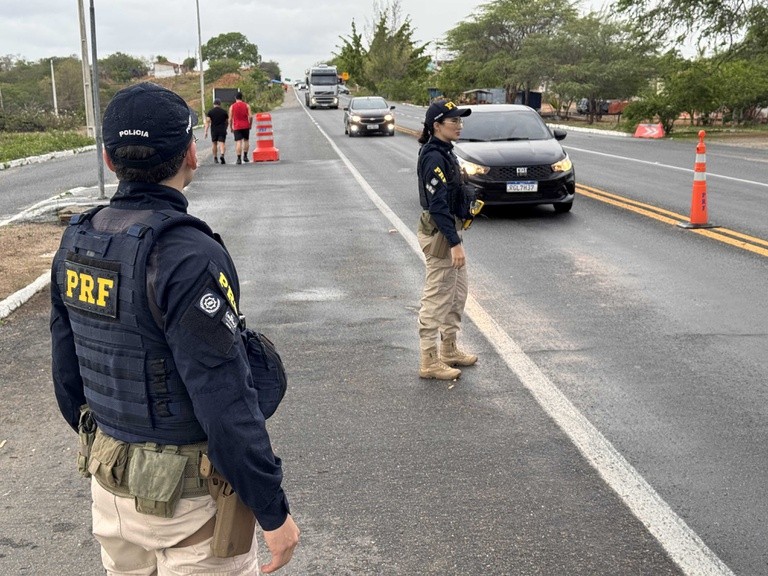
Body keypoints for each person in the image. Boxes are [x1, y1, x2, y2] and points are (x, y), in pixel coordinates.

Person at [50, 82, 299, 575]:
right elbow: (224, 399)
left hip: (111, 490)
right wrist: (273, 511)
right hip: (187, 508)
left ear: (108, 158)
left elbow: (66, 376)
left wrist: (115, 439)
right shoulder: (186, 255)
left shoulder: (78, 241)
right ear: (192, 151)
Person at [416, 100, 478, 380]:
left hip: (450, 230)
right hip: (441, 235)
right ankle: (429, 360)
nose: (459, 126)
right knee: (438, 296)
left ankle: (449, 349)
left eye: (460, 121)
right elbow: (438, 205)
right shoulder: (433, 157)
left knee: (457, 294)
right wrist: (454, 243)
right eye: (454, 122)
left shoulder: (445, 151)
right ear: (437, 126)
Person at [229, 91, 252, 164]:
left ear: (235, 97)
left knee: (238, 142)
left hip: (237, 126)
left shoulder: (232, 106)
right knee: (246, 140)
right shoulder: (247, 105)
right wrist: (250, 124)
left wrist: (231, 127)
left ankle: (239, 158)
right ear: (242, 97)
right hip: (245, 125)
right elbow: (251, 116)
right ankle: (245, 156)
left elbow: (230, 119)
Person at [204, 98, 228, 164]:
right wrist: (226, 128)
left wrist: (206, 131)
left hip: (214, 129)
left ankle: (215, 158)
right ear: (220, 104)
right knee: (222, 143)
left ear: (214, 104)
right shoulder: (224, 112)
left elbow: (208, 122)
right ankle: (222, 155)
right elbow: (226, 121)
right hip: (222, 129)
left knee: (214, 143)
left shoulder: (210, 112)